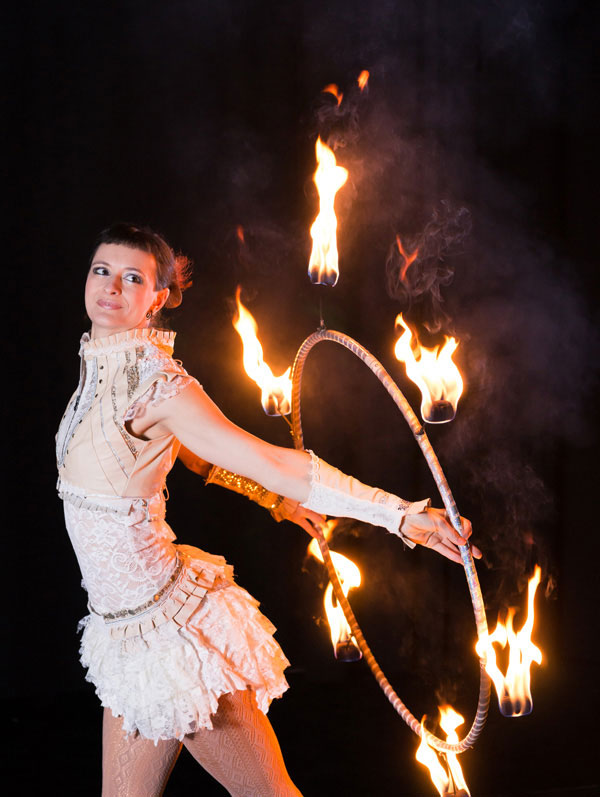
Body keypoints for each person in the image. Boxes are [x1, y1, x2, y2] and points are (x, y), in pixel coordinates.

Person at [56, 223, 479, 797]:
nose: (111, 287)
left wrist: (401, 515)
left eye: (133, 278)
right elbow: (192, 457)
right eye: (102, 270)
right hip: (124, 635)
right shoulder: (101, 361)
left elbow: (276, 463)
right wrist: (271, 500)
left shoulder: (159, 384)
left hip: (173, 640)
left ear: (158, 298)